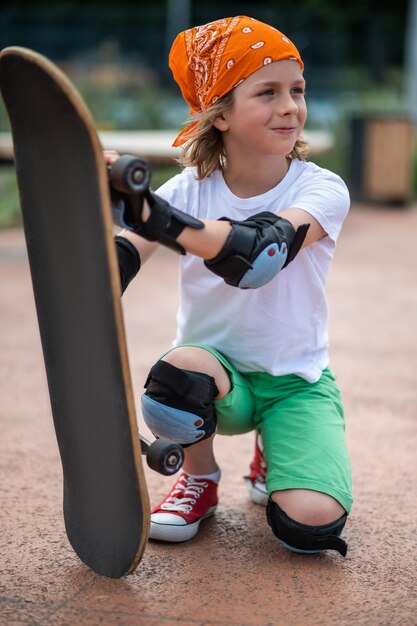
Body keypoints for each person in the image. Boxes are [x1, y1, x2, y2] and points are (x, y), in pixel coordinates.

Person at [109, 15, 352, 556]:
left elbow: (259, 255)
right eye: (267, 92)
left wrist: (159, 217)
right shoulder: (190, 189)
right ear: (219, 113)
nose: (290, 105)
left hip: (295, 382)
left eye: (297, 90)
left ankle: (277, 449)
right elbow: (124, 256)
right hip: (215, 381)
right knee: (177, 375)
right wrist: (113, 200)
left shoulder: (321, 188)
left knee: (309, 530)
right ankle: (200, 478)